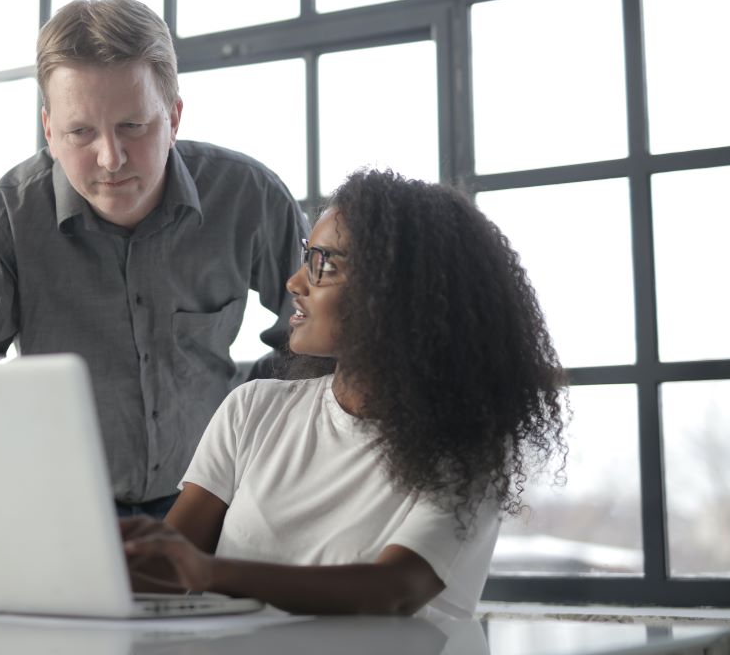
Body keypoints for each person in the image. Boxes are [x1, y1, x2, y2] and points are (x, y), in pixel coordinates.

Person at [0, 0, 309, 518]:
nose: (110, 158)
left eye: (132, 127)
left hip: (218, 505)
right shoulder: (6, 219)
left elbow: (322, 332)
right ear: (50, 131)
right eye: (81, 132)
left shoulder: (248, 196)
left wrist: (248, 415)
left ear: (174, 116)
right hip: (60, 515)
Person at [120, 169, 567, 619]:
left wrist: (211, 573)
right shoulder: (252, 409)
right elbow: (167, 569)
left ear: (397, 292)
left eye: (324, 263)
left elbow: (394, 590)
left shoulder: (467, 450)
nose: (295, 283)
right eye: (305, 257)